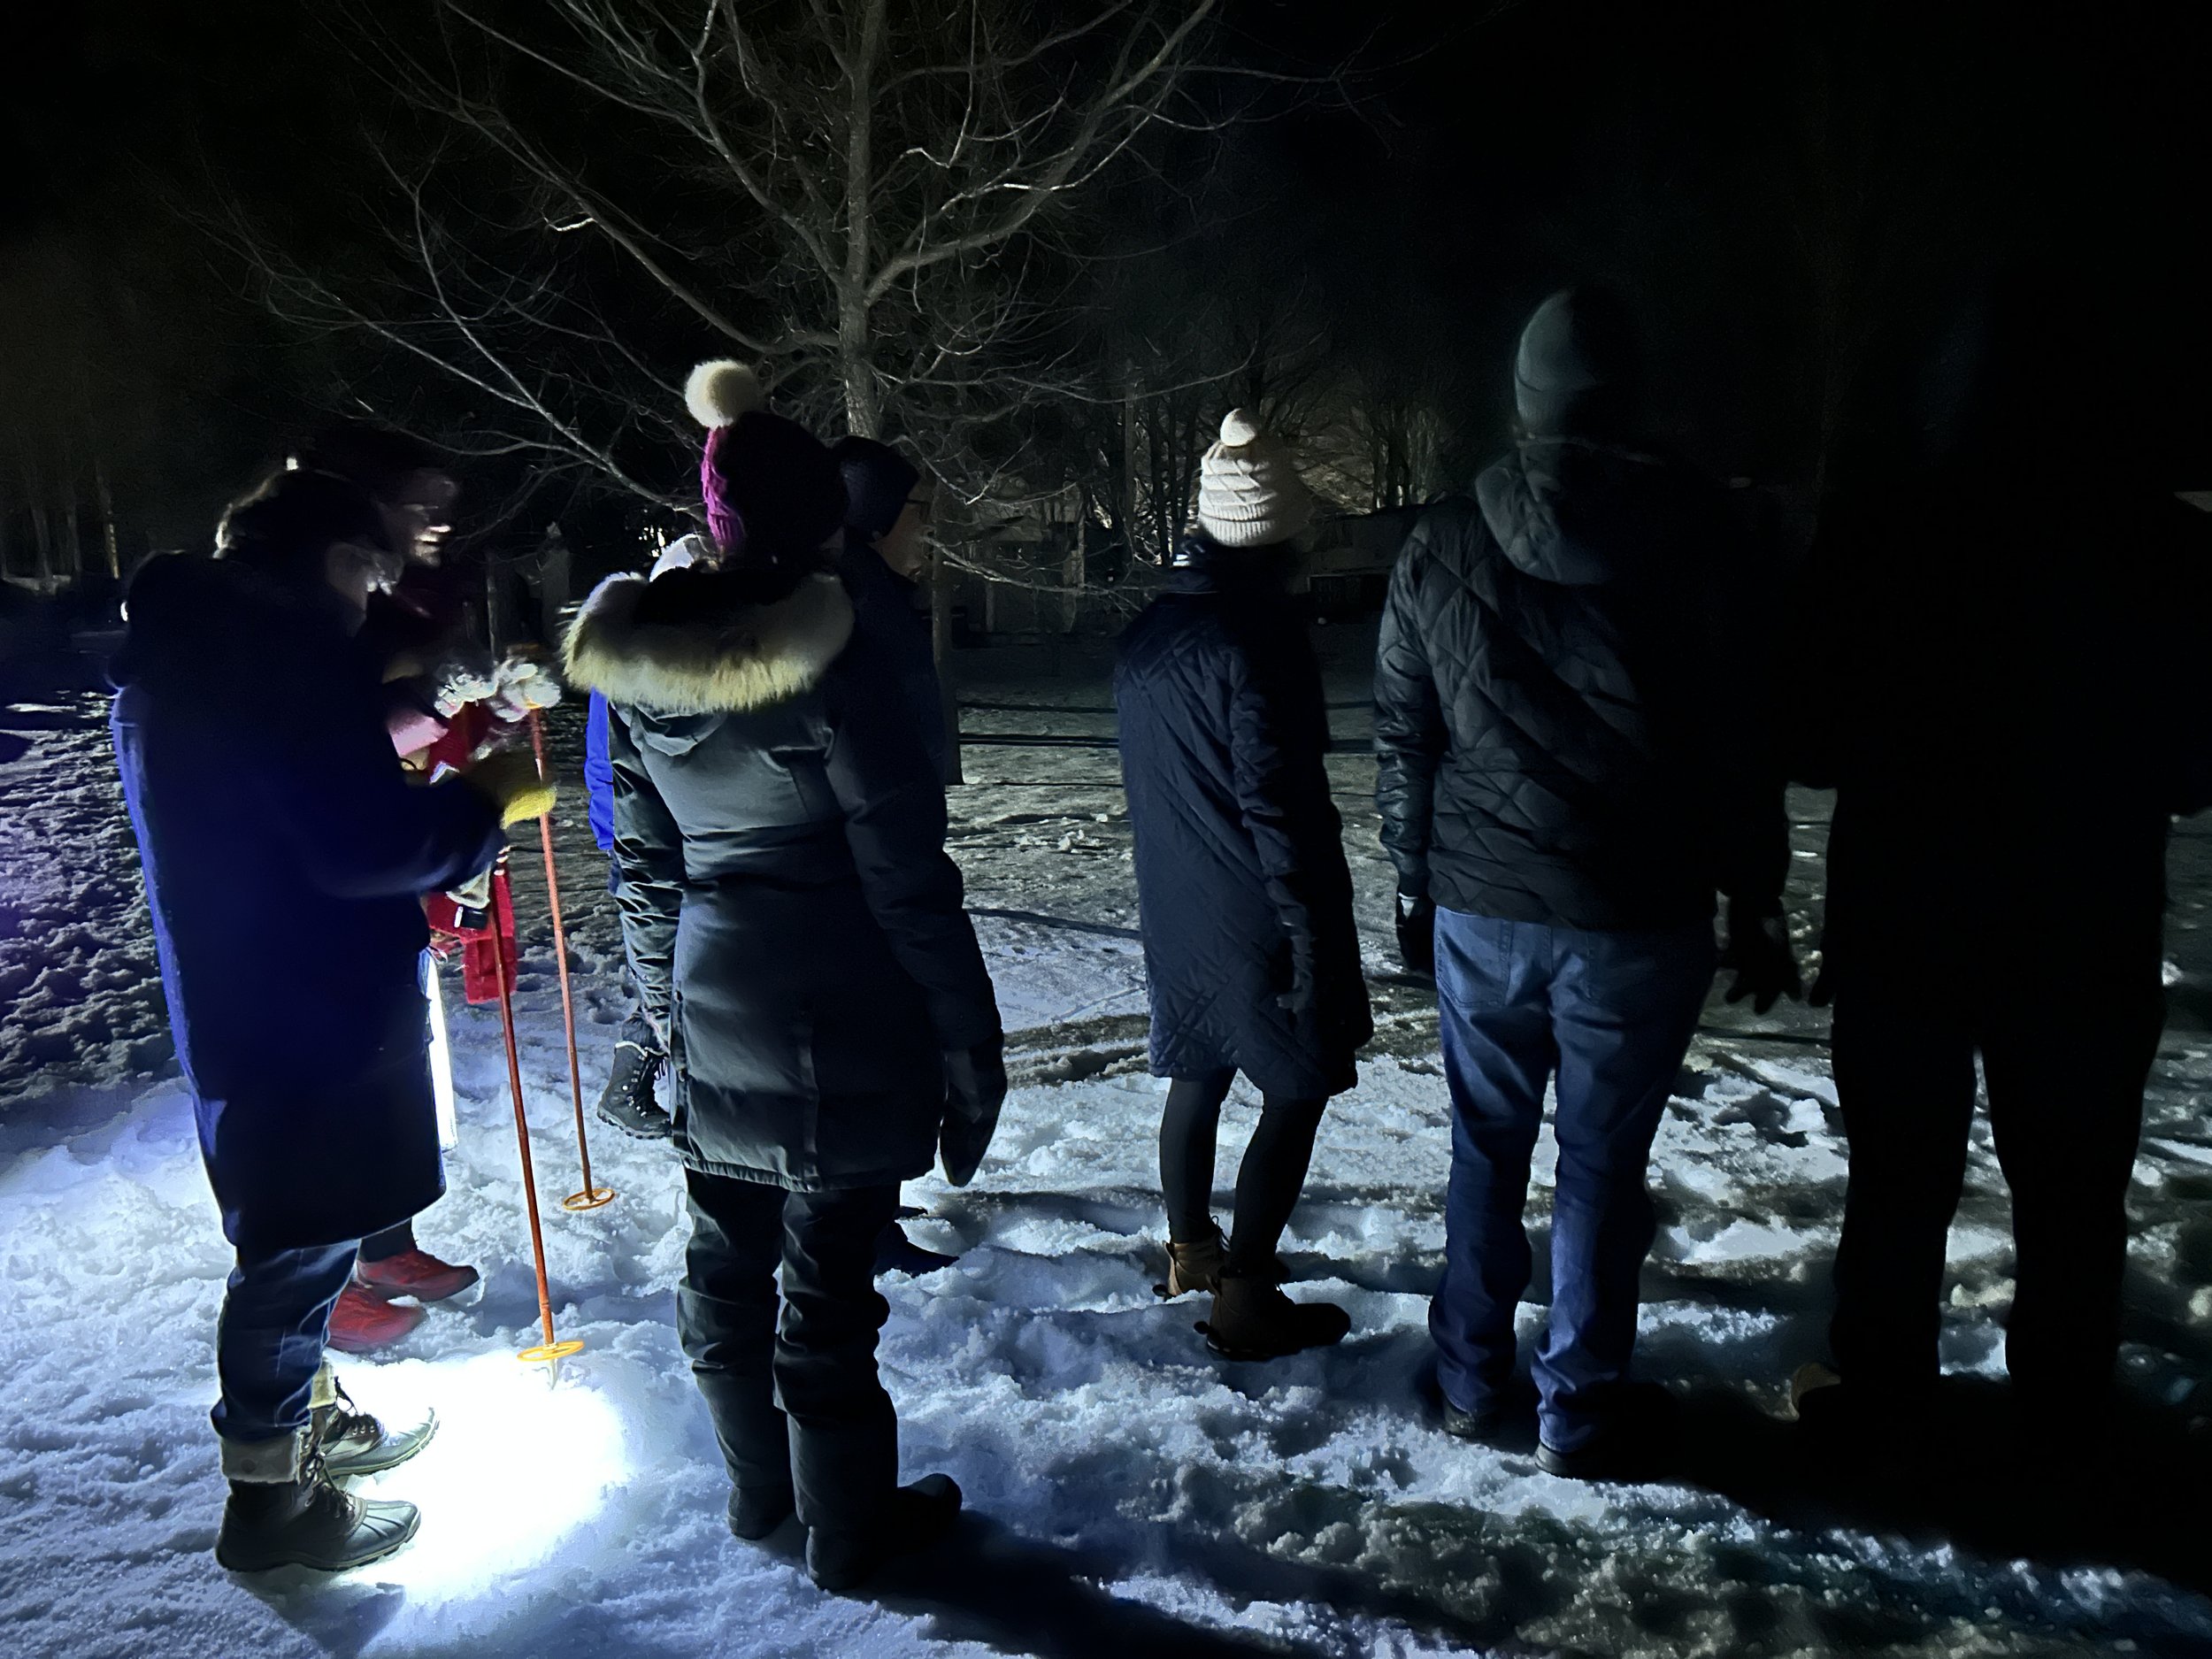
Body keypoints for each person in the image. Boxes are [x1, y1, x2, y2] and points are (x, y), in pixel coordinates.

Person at [565, 359, 1004, 1592]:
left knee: (724, 1257)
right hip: (839, 995)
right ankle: (850, 1527)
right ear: (818, 522)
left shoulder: (646, 665)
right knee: (825, 1285)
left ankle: (766, 1490)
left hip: (716, 987)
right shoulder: (840, 656)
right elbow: (907, 874)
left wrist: (671, 1020)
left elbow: (643, 868)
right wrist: (971, 1045)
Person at [1373, 288, 1798, 1478]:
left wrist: (1414, 878)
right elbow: (1740, 743)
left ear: (1525, 403)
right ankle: (1580, 1403)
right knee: (1602, 1168)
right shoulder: (1705, 541)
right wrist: (1752, 896)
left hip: (1484, 902)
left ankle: (1466, 1375)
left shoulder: (1443, 541)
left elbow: (1405, 733)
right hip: (1635, 910)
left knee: (1484, 1146)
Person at [1788, 272, 2212, 1449]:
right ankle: (2063, 1410)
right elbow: (2192, 760)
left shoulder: (1879, 526)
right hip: (2086, 920)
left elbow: (1809, 734)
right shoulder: (2166, 544)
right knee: (2076, 1194)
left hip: (1910, 915)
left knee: (1900, 1179)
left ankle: (1881, 1394)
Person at [111, 469, 550, 1572]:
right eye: (365, 567)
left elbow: (296, 806)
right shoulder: (274, 661)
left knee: (299, 1237)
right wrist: (481, 807)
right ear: (316, 555)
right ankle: (269, 1507)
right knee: (295, 1250)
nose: (371, 597)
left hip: (254, 989)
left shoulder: (198, 652)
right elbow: (353, 843)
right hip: (304, 1000)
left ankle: (305, 1440)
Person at [1113, 408, 1373, 1361]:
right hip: (1254, 907)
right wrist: (1315, 948)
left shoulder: (1147, 635)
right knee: (1299, 1082)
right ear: (1278, 534)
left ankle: (1189, 1251)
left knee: (1197, 1070)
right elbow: (1283, 808)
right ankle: (1246, 1295)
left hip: (1176, 903)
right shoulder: (1257, 640)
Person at [582, 534, 710, 1141]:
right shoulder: (634, 669)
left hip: (648, 838)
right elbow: (612, 765)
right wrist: (617, 835)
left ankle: (631, 1087)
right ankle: (635, 1089)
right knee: (673, 972)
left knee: (675, 971)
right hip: (646, 842)